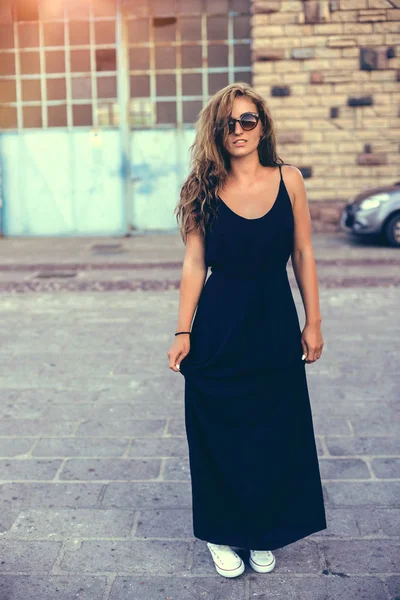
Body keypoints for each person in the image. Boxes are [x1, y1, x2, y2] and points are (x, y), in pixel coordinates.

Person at [167, 82, 327, 578]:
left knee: (273, 430)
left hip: (275, 322)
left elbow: (302, 253)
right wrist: (182, 330)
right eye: (228, 123)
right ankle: (220, 531)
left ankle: (262, 529)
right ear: (217, 131)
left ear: (262, 126)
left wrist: (313, 320)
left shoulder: (290, 180)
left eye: (247, 120)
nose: (237, 130)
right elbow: (195, 264)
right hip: (219, 324)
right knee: (218, 431)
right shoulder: (201, 189)